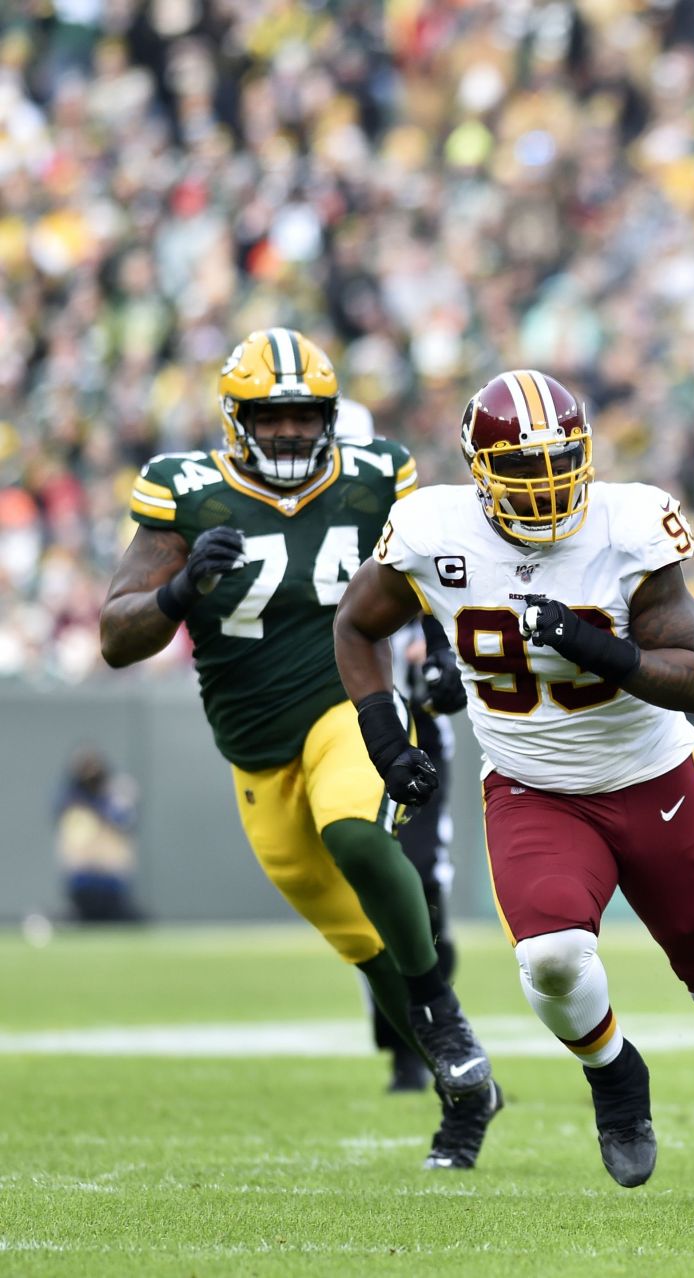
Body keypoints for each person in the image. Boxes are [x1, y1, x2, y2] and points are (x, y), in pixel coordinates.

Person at [333, 369, 694, 1200]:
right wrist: (381, 734)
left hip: (651, 776)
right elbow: (356, 625)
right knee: (549, 958)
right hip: (532, 783)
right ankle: (614, 1074)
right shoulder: (429, 527)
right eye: (523, 473)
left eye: (561, 466)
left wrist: (600, 651)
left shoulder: (627, 524)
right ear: (479, 472)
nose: (547, 492)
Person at [98, 327, 502, 1169]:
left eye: (304, 414)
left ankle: (445, 1013)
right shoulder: (186, 492)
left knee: (357, 830)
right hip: (253, 749)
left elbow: (430, 574)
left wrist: (440, 653)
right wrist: (178, 588)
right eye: (271, 415)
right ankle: (462, 1092)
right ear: (236, 418)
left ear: (329, 416)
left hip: (347, 703)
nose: (288, 431)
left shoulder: (373, 478)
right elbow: (115, 637)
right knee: (365, 946)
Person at [338, 399, 468, 1094]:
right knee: (372, 892)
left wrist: (446, 661)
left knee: (422, 884)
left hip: (410, 724)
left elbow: (452, 595)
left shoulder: (413, 527)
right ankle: (403, 1042)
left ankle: (428, 1036)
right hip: (336, 727)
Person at [54, 749, 144, 923]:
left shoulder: (115, 797)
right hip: (82, 884)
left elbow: (125, 819)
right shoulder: (72, 801)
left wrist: (105, 798)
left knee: (130, 922)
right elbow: (58, 810)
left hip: (112, 884)